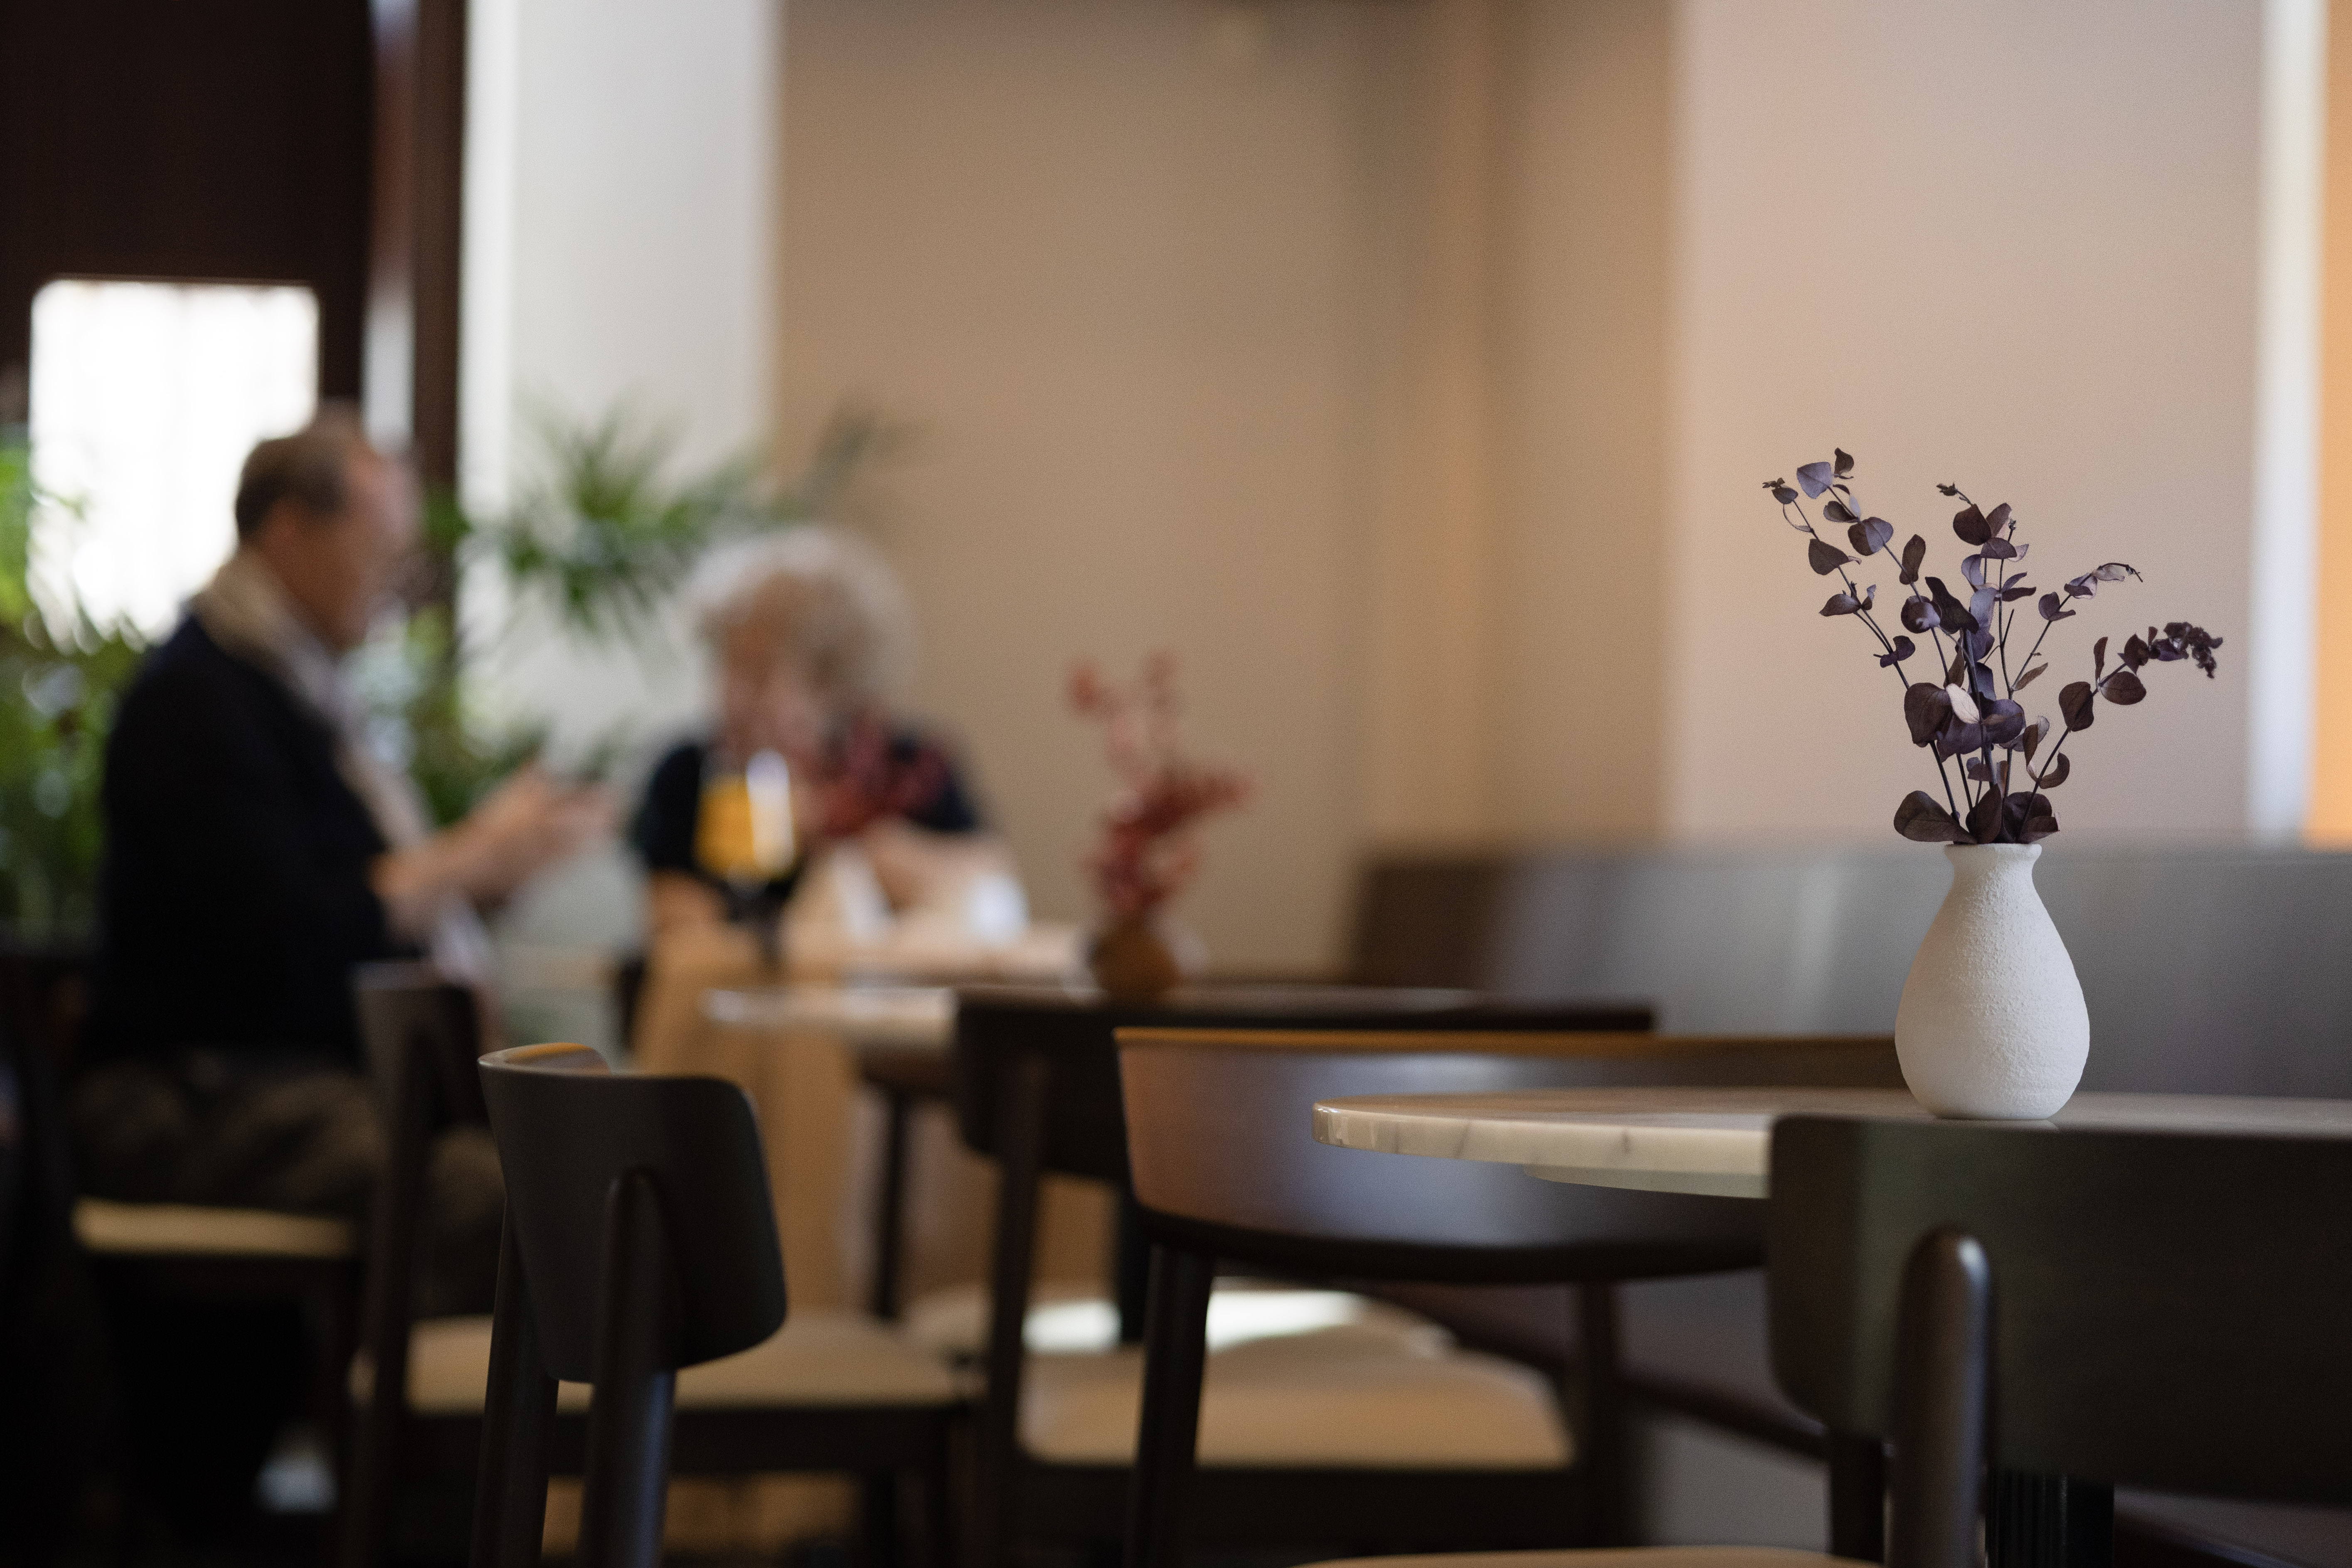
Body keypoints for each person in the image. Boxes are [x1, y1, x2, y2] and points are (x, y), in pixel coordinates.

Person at [69, 409, 607, 1542]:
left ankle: (460, 1502)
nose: (400, 579)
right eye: (383, 544)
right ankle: (442, 1513)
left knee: (547, 1151)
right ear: (290, 532)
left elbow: (340, 911)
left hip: (275, 1080)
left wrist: (475, 877)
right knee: (503, 1186)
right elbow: (292, 933)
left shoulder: (297, 694)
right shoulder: (198, 699)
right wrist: (459, 861)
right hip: (188, 1093)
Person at [630, 528, 1016, 950]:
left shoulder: (906, 764)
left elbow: (987, 882)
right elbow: (676, 926)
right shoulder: (688, 771)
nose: (733, 697)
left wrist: (832, 831)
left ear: (829, 683)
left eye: (759, 673)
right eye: (726, 667)